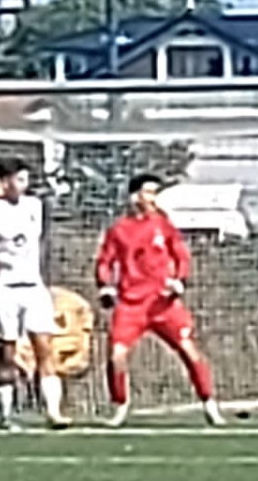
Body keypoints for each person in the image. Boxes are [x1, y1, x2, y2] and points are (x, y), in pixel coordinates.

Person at [95, 174, 225, 427]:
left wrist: (180, 280)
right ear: (134, 197)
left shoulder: (163, 224)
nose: (153, 199)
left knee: (188, 349)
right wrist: (105, 286)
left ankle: (209, 402)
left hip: (162, 302)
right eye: (149, 193)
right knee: (116, 355)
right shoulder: (119, 230)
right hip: (131, 304)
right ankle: (120, 405)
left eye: (155, 193)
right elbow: (105, 261)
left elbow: (180, 255)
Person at [0, 157, 67, 429]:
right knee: (7, 351)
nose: (23, 185)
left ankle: (53, 412)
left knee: (44, 348)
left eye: (25, 179)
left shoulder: (34, 206)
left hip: (33, 286)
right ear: (4, 182)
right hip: (5, 289)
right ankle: (6, 413)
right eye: (18, 179)